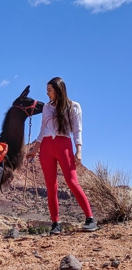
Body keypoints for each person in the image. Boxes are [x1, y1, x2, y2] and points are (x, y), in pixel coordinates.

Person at [26, 77, 98, 235]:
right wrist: (35, 149)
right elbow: (42, 130)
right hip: (46, 147)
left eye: (49, 90)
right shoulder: (46, 107)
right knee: (51, 187)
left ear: (58, 90)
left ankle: (90, 219)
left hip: (63, 145)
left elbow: (77, 130)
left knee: (72, 182)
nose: (47, 94)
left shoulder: (74, 106)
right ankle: (55, 223)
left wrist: (79, 150)